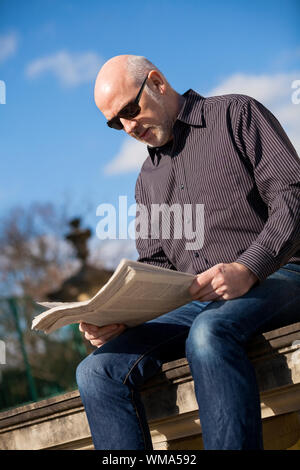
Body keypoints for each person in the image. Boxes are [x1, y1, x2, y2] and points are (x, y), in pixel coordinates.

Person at [76, 55, 300, 450]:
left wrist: (249, 267)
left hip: (281, 275)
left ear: (158, 83)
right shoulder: (146, 180)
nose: (128, 127)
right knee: (96, 371)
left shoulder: (237, 113)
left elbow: (292, 197)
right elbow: (157, 265)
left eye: (130, 109)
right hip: (200, 303)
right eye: (116, 122)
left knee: (208, 332)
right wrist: (119, 318)